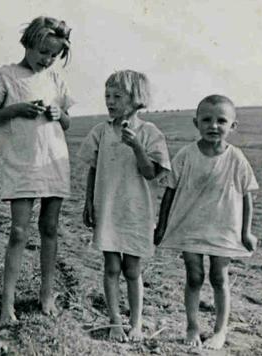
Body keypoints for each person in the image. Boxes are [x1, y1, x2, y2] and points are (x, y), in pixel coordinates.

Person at [0, 16, 75, 326]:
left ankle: (46, 295)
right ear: (28, 44)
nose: (47, 60)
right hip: (22, 163)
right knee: (19, 232)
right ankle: (7, 305)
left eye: (53, 55)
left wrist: (60, 113)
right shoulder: (6, 76)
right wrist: (16, 110)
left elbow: (68, 121)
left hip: (54, 160)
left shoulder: (55, 80)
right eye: (42, 52)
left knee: (49, 228)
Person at [154, 94, 258, 350]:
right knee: (194, 276)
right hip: (191, 226)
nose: (213, 126)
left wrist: (246, 233)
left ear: (233, 126)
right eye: (207, 120)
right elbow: (169, 191)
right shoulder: (186, 155)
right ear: (196, 123)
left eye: (221, 121)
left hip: (224, 227)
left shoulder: (236, 158)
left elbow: (247, 197)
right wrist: (161, 226)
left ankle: (220, 331)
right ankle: (192, 326)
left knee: (219, 277)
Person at [78, 70, 171, 341]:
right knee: (110, 267)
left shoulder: (149, 133)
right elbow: (93, 169)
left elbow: (151, 173)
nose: (110, 101)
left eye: (118, 96)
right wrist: (88, 202)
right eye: (107, 95)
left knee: (132, 270)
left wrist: (137, 147)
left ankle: (137, 323)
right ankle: (115, 321)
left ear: (136, 99)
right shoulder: (101, 132)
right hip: (107, 208)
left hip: (135, 211)